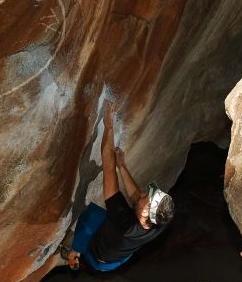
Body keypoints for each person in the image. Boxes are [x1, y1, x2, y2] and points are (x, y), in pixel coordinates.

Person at [56, 101, 175, 271]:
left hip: (99, 258)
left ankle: (74, 253)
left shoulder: (124, 222)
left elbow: (108, 168)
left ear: (145, 213)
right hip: (121, 256)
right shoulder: (162, 219)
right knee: (122, 216)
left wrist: (109, 127)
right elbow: (136, 196)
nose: (142, 194)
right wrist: (123, 167)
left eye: (145, 198)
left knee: (92, 217)